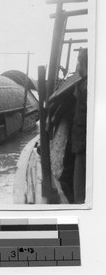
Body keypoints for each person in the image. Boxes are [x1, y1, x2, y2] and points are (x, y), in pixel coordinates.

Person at [72, 48, 87, 204]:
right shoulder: (83, 86)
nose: (76, 67)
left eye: (78, 62)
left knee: (80, 193)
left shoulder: (87, 87)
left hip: (84, 147)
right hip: (81, 146)